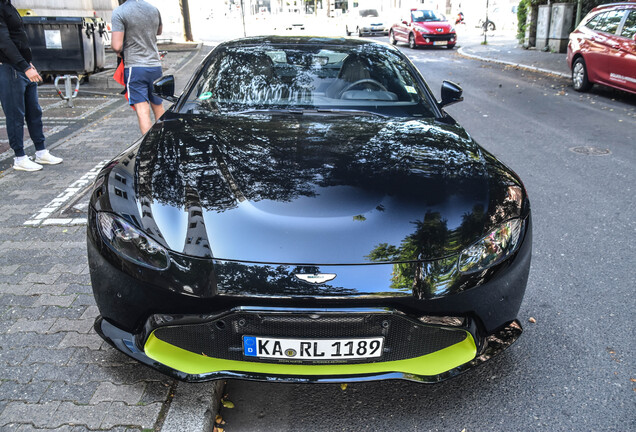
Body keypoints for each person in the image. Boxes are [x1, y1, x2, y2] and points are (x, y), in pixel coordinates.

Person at [0, 0, 63, 172]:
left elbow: (17, 36)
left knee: (34, 111)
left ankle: (41, 151)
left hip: (23, 66)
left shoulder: (7, 5)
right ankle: (19, 158)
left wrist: (28, 63)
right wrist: (24, 66)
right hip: (10, 68)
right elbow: (4, 42)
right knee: (15, 115)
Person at [111, 0, 165, 135]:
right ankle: (163, 142)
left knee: (142, 109)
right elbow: (159, 31)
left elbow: (116, 46)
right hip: (155, 66)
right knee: (158, 105)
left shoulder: (120, 12)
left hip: (135, 67)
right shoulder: (154, 9)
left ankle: (149, 149)